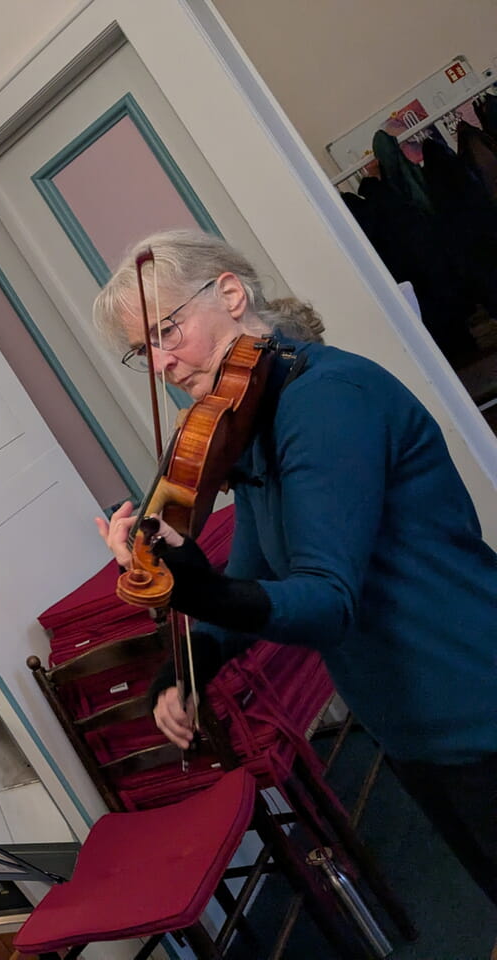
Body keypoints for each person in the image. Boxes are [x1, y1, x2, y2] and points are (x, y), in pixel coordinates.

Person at [90, 229, 497, 909]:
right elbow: (255, 575)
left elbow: (325, 600)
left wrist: (198, 586)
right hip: (408, 723)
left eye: (168, 330)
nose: (161, 362)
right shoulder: (253, 422)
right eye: (144, 350)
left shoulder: (326, 398)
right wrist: (185, 670)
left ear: (229, 292)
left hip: (472, 697)